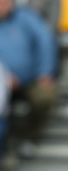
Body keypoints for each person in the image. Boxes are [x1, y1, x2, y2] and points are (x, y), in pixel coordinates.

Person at [0, 0, 57, 156]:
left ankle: (29, 136)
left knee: (44, 96)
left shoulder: (27, 17)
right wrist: (3, 76)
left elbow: (45, 40)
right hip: (1, 83)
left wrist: (45, 72)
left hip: (30, 79)